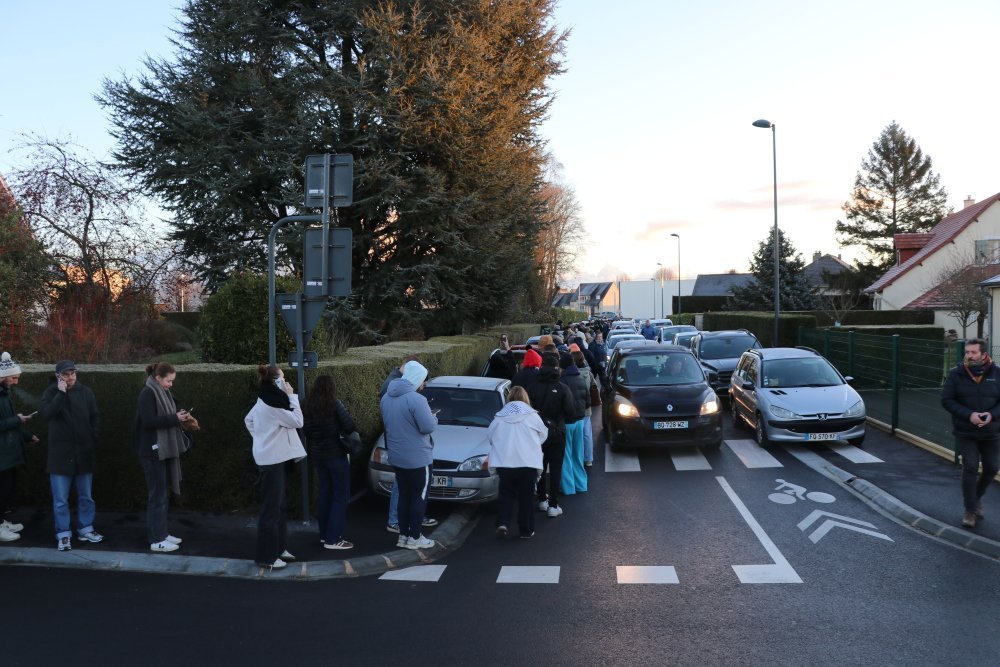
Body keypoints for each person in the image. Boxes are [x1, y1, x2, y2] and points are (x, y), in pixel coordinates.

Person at [244, 364, 305, 569]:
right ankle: (266, 557)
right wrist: (292, 395)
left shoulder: (265, 398)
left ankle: (279, 548)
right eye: (284, 379)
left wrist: (261, 439)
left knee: (279, 507)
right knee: (272, 510)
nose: (287, 382)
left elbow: (249, 420)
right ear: (277, 381)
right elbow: (298, 421)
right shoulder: (274, 404)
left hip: (271, 458)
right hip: (272, 460)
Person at [40, 360, 103, 551]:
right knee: (60, 500)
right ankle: (63, 534)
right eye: (66, 374)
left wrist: (94, 437)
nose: (70, 377)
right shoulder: (51, 393)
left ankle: (86, 528)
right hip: (60, 456)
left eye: (73, 373)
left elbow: (95, 416)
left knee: (86, 496)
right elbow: (46, 415)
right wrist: (60, 393)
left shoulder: (86, 392)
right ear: (58, 376)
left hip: (84, 453)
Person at [133, 362, 193, 553]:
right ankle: (156, 539)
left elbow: (167, 414)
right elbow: (149, 422)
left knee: (162, 495)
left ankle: (162, 533)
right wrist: (175, 418)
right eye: (168, 381)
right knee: (157, 496)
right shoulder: (147, 393)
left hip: (162, 450)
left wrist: (180, 416)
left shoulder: (162, 392)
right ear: (158, 378)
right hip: (152, 452)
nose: (170, 385)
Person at [941, 338, 1000, 529]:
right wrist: (970, 415)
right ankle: (970, 510)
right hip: (966, 431)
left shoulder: (997, 373)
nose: (969, 355)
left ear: (984, 354)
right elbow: (947, 400)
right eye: (967, 352)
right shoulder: (956, 374)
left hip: (991, 431)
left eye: (973, 352)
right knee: (971, 467)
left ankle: (976, 497)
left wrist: (992, 415)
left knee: (992, 468)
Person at [380, 360, 437, 550]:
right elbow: (428, 426)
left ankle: (403, 536)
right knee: (418, 497)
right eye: (423, 380)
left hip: (397, 456)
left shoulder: (386, 397)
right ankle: (415, 537)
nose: (424, 384)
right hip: (418, 458)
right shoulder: (416, 399)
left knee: (404, 496)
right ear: (416, 379)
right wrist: (434, 416)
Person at [303, 374, 356, 550]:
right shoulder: (334, 404)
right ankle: (333, 539)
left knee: (325, 492)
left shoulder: (307, 405)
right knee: (340, 495)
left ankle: (324, 534)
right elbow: (349, 426)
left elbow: (307, 432)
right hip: (336, 454)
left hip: (318, 455)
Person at [488, 386, 547, 539]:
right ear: (525, 398)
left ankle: (503, 522)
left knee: (506, 495)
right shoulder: (532, 416)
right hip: (527, 463)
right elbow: (543, 435)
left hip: (505, 463)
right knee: (525, 498)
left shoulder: (500, 417)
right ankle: (525, 530)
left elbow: (490, 437)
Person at [527, 352, 575, 518]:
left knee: (539, 466)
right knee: (555, 469)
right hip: (557, 433)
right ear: (557, 368)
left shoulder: (532, 387)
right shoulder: (562, 388)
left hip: (536, 433)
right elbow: (570, 411)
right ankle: (553, 505)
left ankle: (541, 499)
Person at [0, 352, 38, 542]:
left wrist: (27, 435)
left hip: (7, 454)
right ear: (2, 376)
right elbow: (8, 422)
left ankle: (1, 521)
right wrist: (17, 420)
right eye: (14, 378)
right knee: (2, 489)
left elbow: (11, 421)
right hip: (2, 455)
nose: (16, 382)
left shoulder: (4, 394)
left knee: (7, 489)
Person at [559, 353, 589, 495]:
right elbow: (588, 402)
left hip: (566, 422)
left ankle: (568, 488)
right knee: (578, 454)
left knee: (566, 456)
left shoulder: (561, 381)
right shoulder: (581, 378)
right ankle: (582, 485)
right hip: (580, 421)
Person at [571, 345, 598, 468]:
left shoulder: (570, 375)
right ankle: (588, 459)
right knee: (587, 434)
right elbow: (594, 388)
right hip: (586, 407)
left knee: (575, 435)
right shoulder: (588, 374)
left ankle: (577, 458)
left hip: (573, 408)